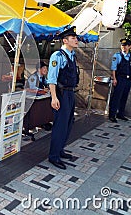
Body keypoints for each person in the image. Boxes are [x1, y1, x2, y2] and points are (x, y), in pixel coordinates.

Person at [47, 26, 79, 170]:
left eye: (76, 38)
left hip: (71, 93)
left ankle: (60, 150)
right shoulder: (57, 56)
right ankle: (53, 156)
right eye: (73, 38)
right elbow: (52, 79)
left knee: (68, 123)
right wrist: (54, 98)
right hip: (61, 94)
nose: (76, 40)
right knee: (60, 125)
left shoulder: (72, 56)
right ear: (65, 40)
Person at [108, 38, 131, 123]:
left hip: (128, 79)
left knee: (124, 97)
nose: (123, 47)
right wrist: (114, 78)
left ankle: (121, 114)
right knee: (117, 97)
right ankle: (112, 115)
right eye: (122, 45)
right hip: (120, 78)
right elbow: (113, 68)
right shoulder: (117, 56)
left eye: (125, 45)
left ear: (129, 46)